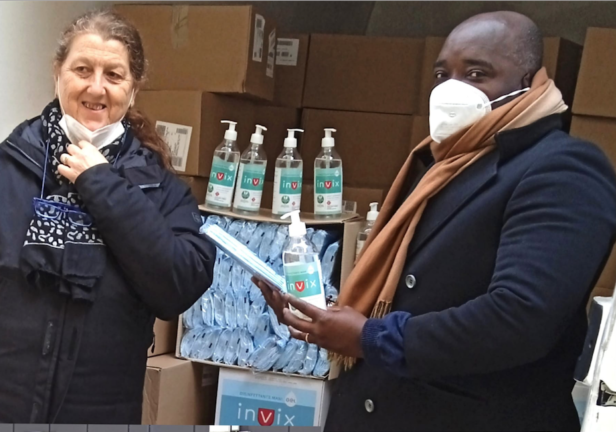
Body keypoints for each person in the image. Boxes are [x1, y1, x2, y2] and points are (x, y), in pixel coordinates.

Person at [255, 11, 616, 431]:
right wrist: (324, 313)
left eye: (477, 74)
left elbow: (520, 318)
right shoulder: (444, 164)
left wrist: (369, 337)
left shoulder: (562, 168)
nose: (451, 89)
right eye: (442, 75)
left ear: (528, 81)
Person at [0, 10, 215, 424]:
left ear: (133, 89)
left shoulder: (160, 191)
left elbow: (179, 285)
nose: (96, 87)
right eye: (82, 69)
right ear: (58, 74)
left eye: (114, 75)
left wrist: (102, 185)